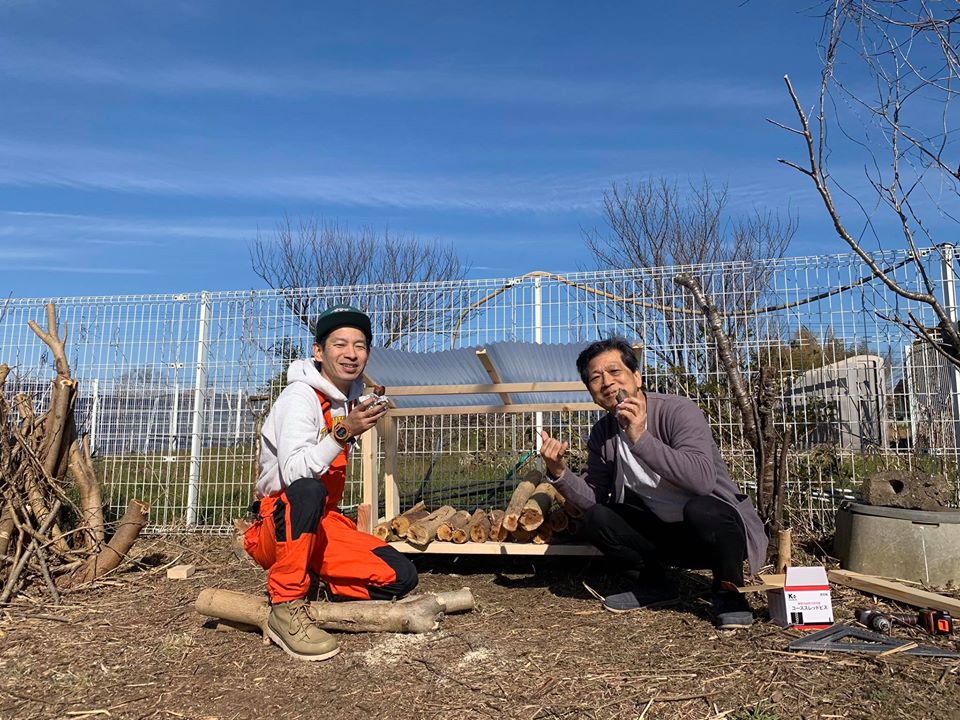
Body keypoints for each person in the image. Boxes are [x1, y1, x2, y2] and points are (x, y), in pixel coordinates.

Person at [539, 337, 767, 629]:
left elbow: (701, 480)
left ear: (637, 377)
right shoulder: (602, 434)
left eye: (614, 371)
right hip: (661, 535)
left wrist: (640, 438)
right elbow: (594, 499)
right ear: (592, 393)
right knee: (596, 518)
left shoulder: (677, 410)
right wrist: (559, 472)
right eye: (595, 378)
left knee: (703, 509)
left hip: (713, 533)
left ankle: (729, 591)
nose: (606, 382)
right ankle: (653, 584)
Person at [244, 305, 418, 660]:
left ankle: (316, 579)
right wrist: (344, 432)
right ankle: (285, 605)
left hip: (322, 523)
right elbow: (295, 474)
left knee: (401, 577)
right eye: (340, 344)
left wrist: (350, 419)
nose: (351, 354)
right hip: (278, 526)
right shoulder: (299, 398)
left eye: (360, 345)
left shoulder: (346, 400)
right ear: (318, 351)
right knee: (308, 488)